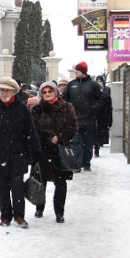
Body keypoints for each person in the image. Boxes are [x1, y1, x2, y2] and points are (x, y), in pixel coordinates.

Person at [0, 77, 41, 228]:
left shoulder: (22, 108)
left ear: (13, 92)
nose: (4, 93)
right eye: (2, 90)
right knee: (2, 188)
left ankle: (19, 216)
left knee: (17, 188)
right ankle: (5, 217)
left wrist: (36, 153)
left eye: (7, 90)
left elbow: (31, 131)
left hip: (18, 155)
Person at [30, 81, 78, 223]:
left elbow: (73, 126)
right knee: (40, 180)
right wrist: (49, 136)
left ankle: (59, 212)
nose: (47, 94)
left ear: (56, 92)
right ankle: (39, 208)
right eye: (44, 92)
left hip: (60, 149)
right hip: (42, 149)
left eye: (50, 91)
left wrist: (61, 138)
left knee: (61, 182)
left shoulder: (67, 107)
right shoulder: (36, 109)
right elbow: (33, 128)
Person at [62, 61, 103, 172]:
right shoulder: (71, 85)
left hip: (89, 120)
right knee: (76, 143)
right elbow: (64, 99)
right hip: (75, 120)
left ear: (83, 71)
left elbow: (101, 100)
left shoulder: (93, 84)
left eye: (77, 70)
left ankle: (86, 163)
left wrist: (92, 109)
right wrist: (68, 110)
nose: (75, 72)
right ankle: (77, 165)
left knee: (88, 144)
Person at [94, 75, 113, 158]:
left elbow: (109, 109)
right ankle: (96, 148)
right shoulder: (92, 97)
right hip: (95, 118)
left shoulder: (106, 95)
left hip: (101, 118)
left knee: (99, 134)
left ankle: (97, 149)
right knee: (97, 135)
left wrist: (109, 121)